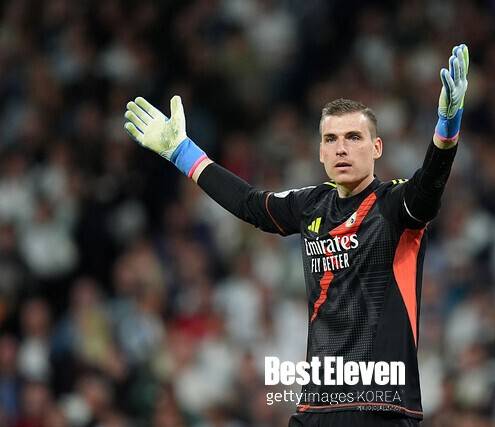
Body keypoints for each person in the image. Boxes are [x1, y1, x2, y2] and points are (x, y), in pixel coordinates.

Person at [124, 44, 469, 427]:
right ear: (320, 152)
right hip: (316, 409)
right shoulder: (311, 204)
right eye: (331, 139)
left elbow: (429, 187)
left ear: (376, 148)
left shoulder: (394, 205)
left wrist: (446, 130)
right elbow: (251, 205)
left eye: (354, 137)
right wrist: (182, 152)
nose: (341, 148)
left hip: (381, 408)